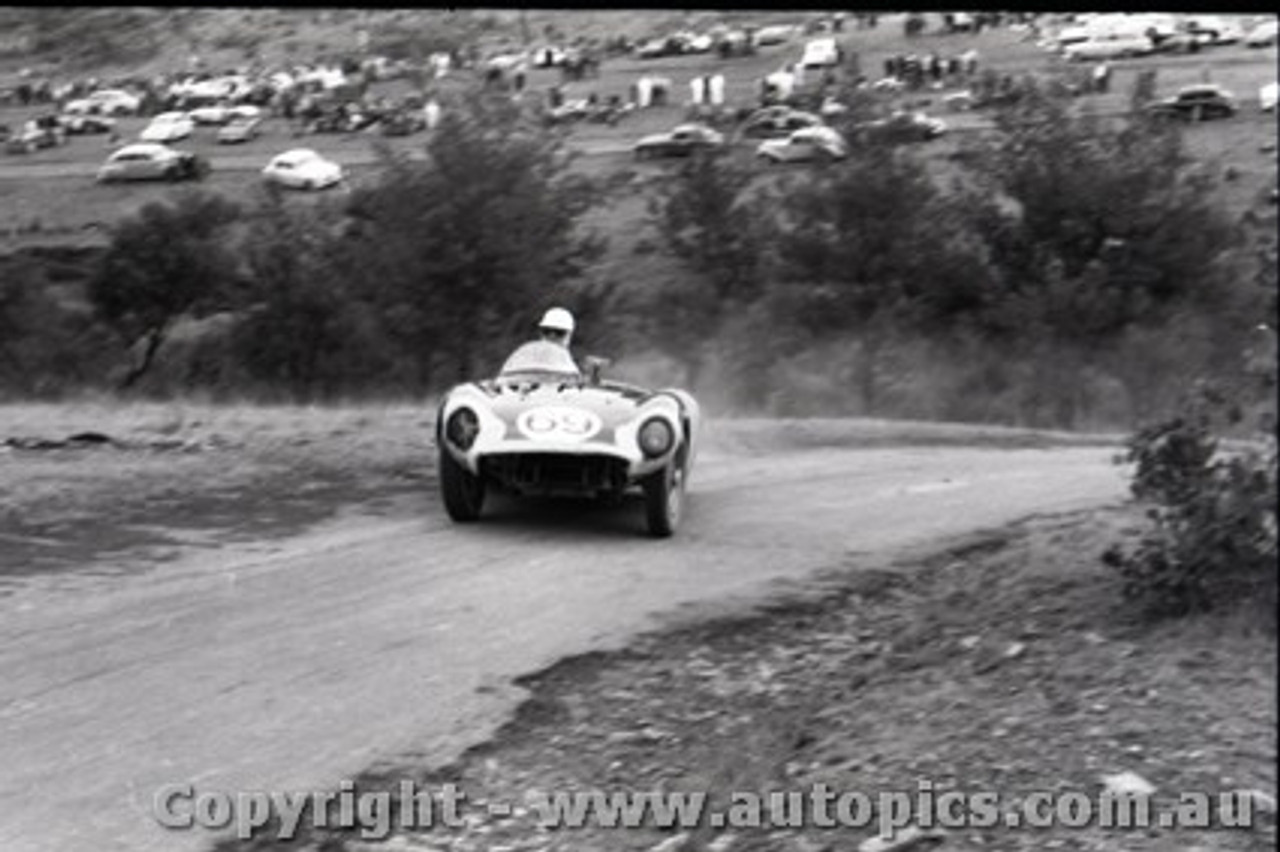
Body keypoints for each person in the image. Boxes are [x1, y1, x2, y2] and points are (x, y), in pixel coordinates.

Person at [499, 307, 579, 377]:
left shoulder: (574, 367)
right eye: (546, 331)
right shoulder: (525, 360)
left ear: (570, 335)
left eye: (559, 332)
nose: (552, 337)